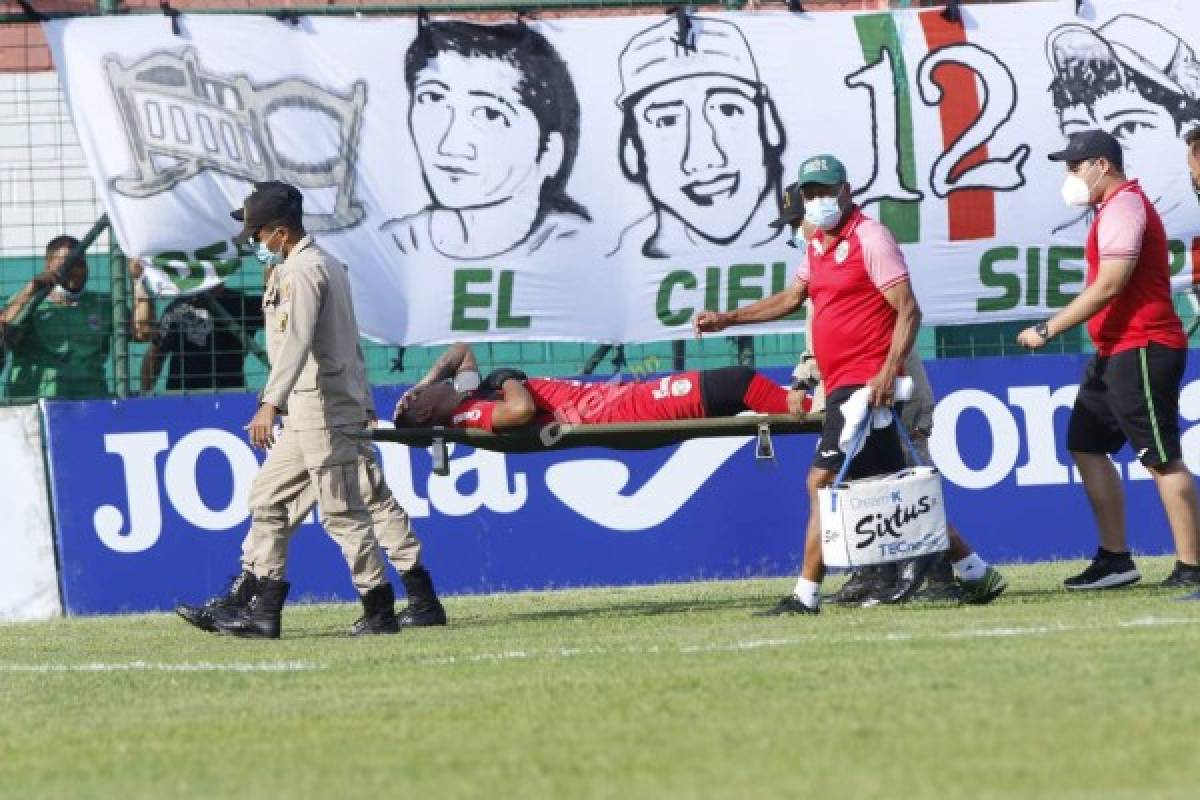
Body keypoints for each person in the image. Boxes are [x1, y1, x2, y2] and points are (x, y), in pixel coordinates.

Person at [696, 155, 1007, 614]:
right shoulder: (818, 245)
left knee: (822, 482)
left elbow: (908, 309)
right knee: (892, 483)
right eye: (811, 193)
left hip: (865, 387)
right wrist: (729, 318)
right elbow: (792, 297)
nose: (818, 200)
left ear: (846, 189)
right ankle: (975, 571)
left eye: (826, 190)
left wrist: (886, 370)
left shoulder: (870, 237)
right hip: (846, 382)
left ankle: (806, 595)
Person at [178, 181, 445, 638]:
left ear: (280, 232)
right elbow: (345, 342)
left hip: (319, 410)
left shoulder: (303, 272)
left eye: (259, 234)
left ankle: (377, 608)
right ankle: (258, 601)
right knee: (271, 498)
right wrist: (360, 399)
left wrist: (269, 404)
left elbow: (297, 344)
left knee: (344, 511)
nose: (256, 244)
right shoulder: (319, 265)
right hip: (320, 410)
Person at [1018, 129, 1200, 592]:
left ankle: (1191, 565)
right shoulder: (1110, 210)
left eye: (1074, 167)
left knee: (1161, 459)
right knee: (1085, 443)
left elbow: (1111, 284)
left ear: (1102, 164)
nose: (1069, 177)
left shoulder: (1125, 206)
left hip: (1142, 346)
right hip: (1114, 349)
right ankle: (1116, 558)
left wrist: (1048, 328)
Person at [381, 18, 590, 261]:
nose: (450, 146)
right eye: (434, 98)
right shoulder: (394, 247)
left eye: (490, 114)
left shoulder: (582, 250)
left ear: (550, 153)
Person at [608, 15, 787, 259]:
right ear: (632, 150)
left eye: (728, 110)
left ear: (769, 122)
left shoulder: (836, 248)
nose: (704, 157)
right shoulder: (607, 266)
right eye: (667, 121)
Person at [393, 342, 809, 431]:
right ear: (427, 413)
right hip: (625, 410)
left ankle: (810, 402)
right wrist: (508, 379)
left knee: (737, 386)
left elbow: (460, 352)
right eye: (412, 400)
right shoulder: (470, 412)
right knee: (738, 381)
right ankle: (813, 406)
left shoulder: (465, 392)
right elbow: (519, 411)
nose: (410, 393)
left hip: (624, 399)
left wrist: (424, 382)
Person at [1046, 15, 1200, 236]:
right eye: (1078, 138)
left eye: (1128, 127)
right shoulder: (1070, 235)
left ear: (1187, 129)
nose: (1102, 162)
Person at [0, 235, 112, 400]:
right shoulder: (29, 302)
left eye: (80, 264)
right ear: (49, 265)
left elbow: (142, 334)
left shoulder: (102, 304)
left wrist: (140, 282)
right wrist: (30, 290)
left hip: (90, 399)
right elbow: (4, 327)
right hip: (37, 399)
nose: (74, 270)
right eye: (66, 264)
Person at [131, 258, 265, 392]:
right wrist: (145, 394)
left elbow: (276, 310)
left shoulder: (241, 304)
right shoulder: (177, 309)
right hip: (183, 395)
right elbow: (156, 353)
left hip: (228, 393)